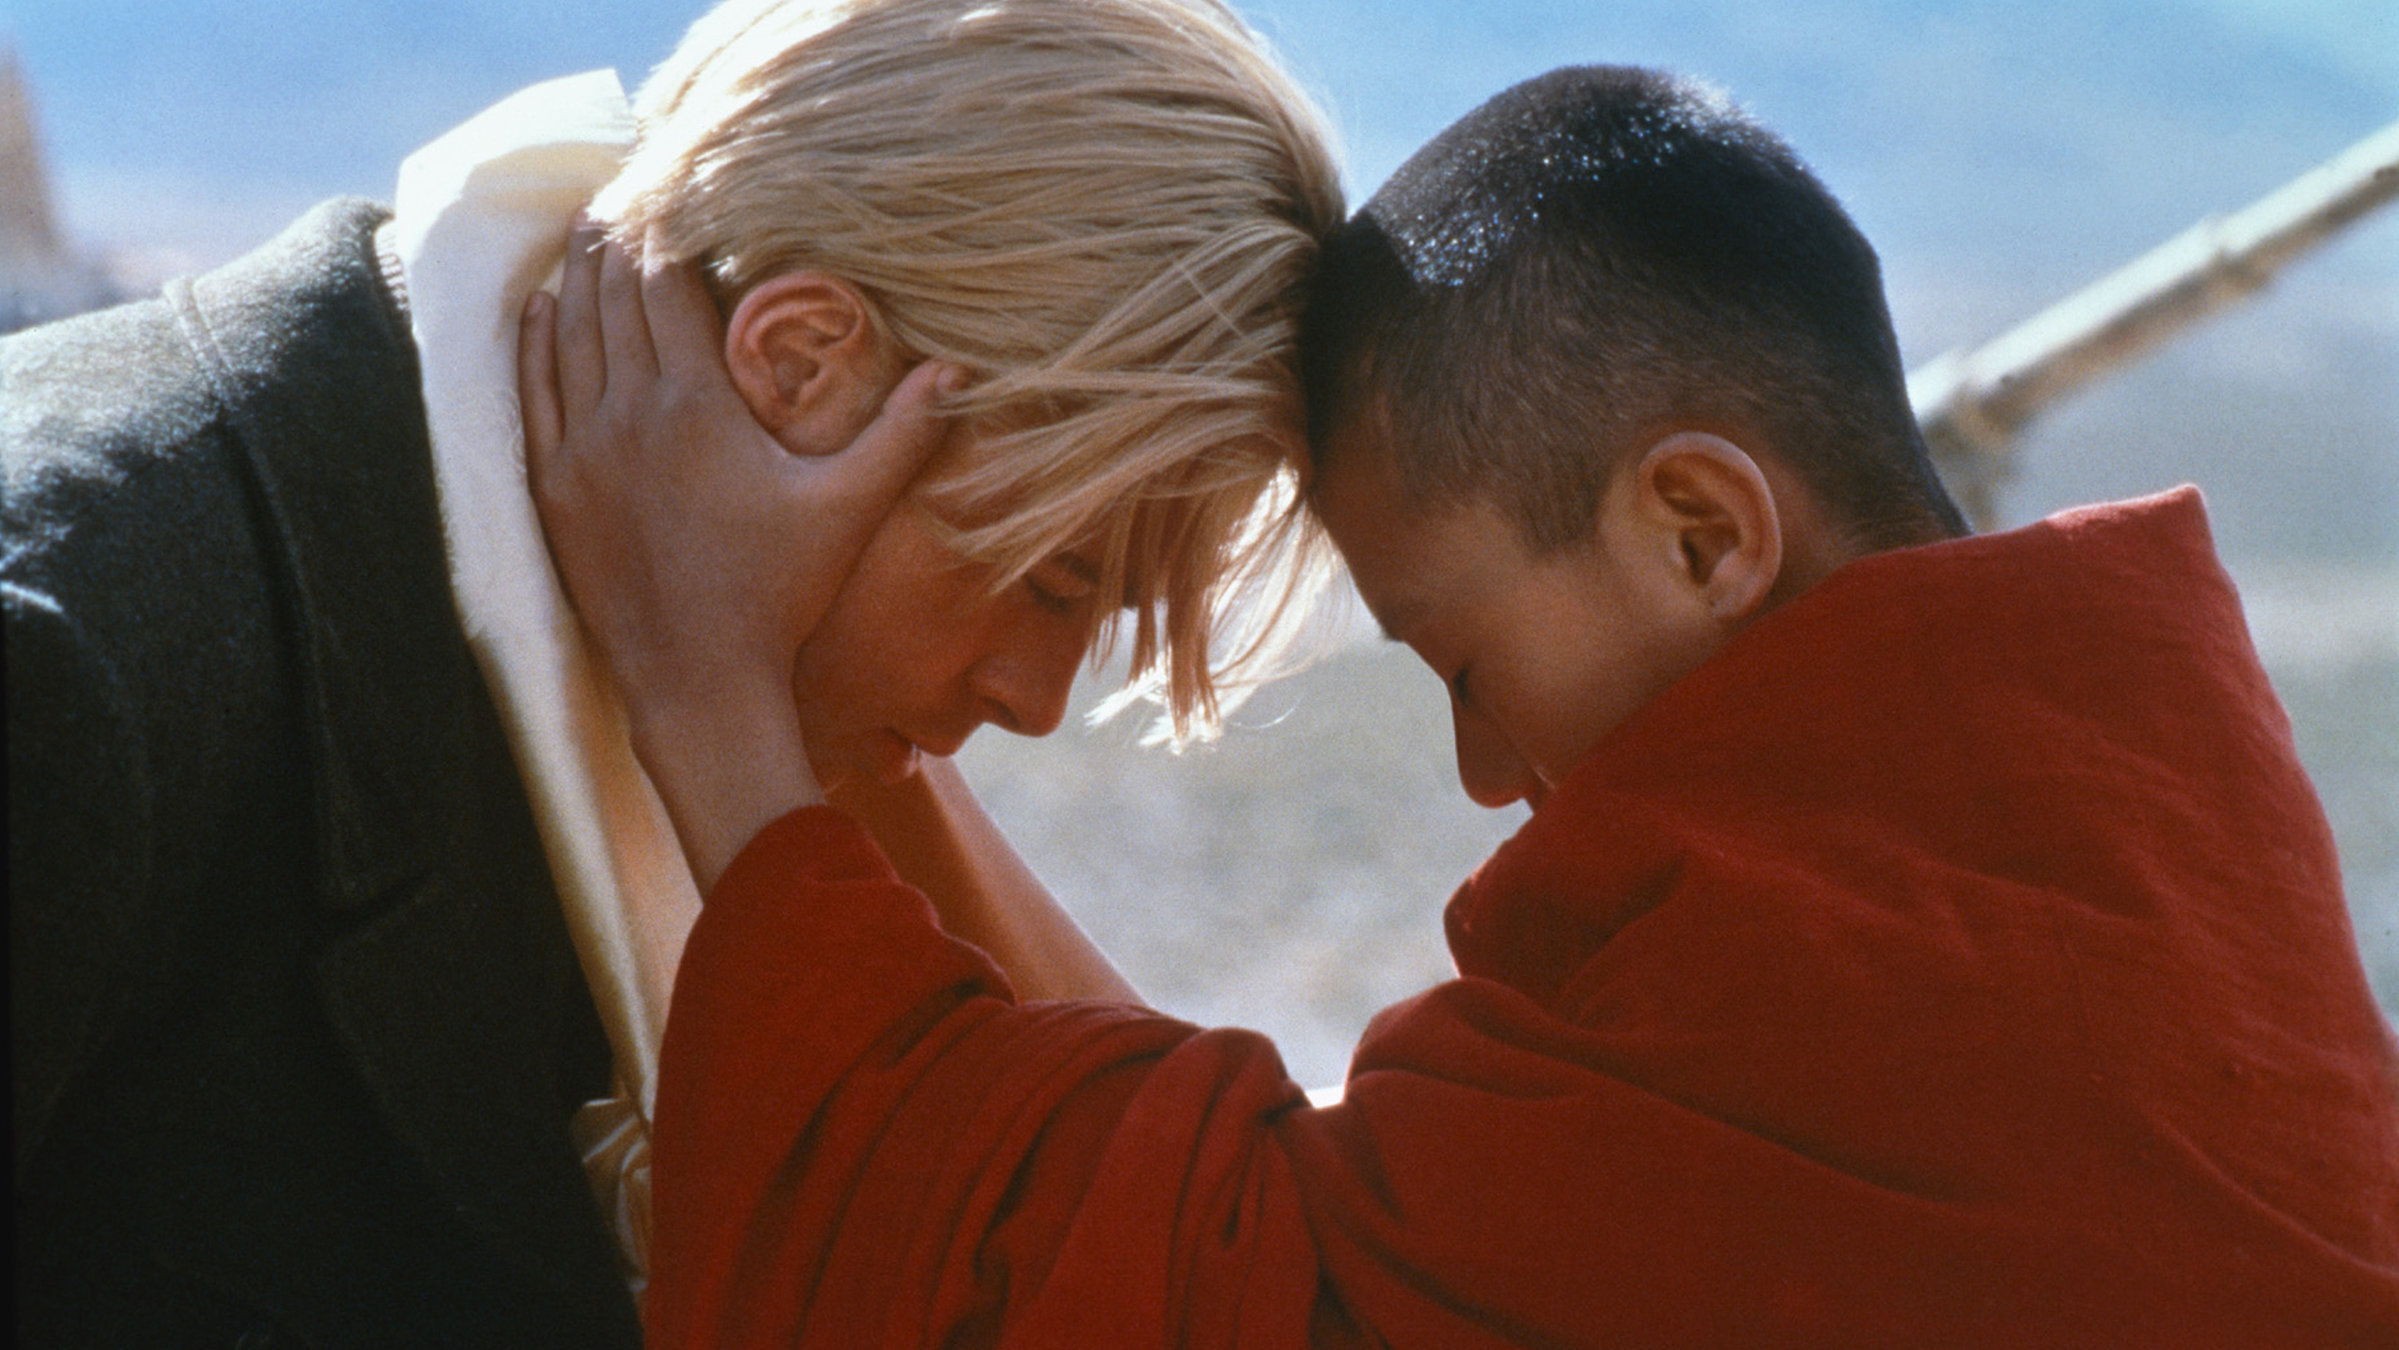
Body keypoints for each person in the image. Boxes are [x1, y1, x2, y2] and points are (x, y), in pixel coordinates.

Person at [530, 65, 2399, 1345]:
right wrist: (858, 745)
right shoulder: (2122, 800)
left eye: (1467, 667)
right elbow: (1279, 1213)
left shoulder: (1860, 988)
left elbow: (1137, 1290)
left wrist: (712, 691)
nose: (1484, 771)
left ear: (1699, 528)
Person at [3, 1, 1340, 1344]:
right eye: (1053, 580)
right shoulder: (75, 673)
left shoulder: (620, 656)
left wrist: (744, 693)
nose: (1038, 700)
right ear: (799, 361)